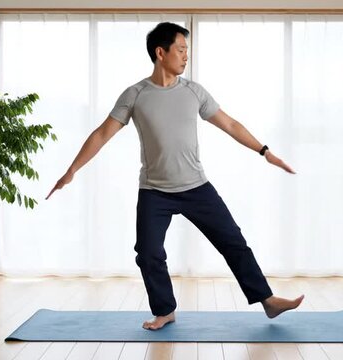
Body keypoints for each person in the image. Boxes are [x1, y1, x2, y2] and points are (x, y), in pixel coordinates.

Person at [47, 22, 304, 331]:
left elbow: (232, 125)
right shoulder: (136, 94)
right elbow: (102, 134)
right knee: (148, 253)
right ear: (161, 52)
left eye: (187, 51)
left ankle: (268, 301)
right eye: (181, 50)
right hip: (154, 191)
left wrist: (265, 151)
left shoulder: (194, 91)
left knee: (233, 242)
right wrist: (71, 170)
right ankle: (165, 310)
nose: (185, 57)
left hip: (197, 187)